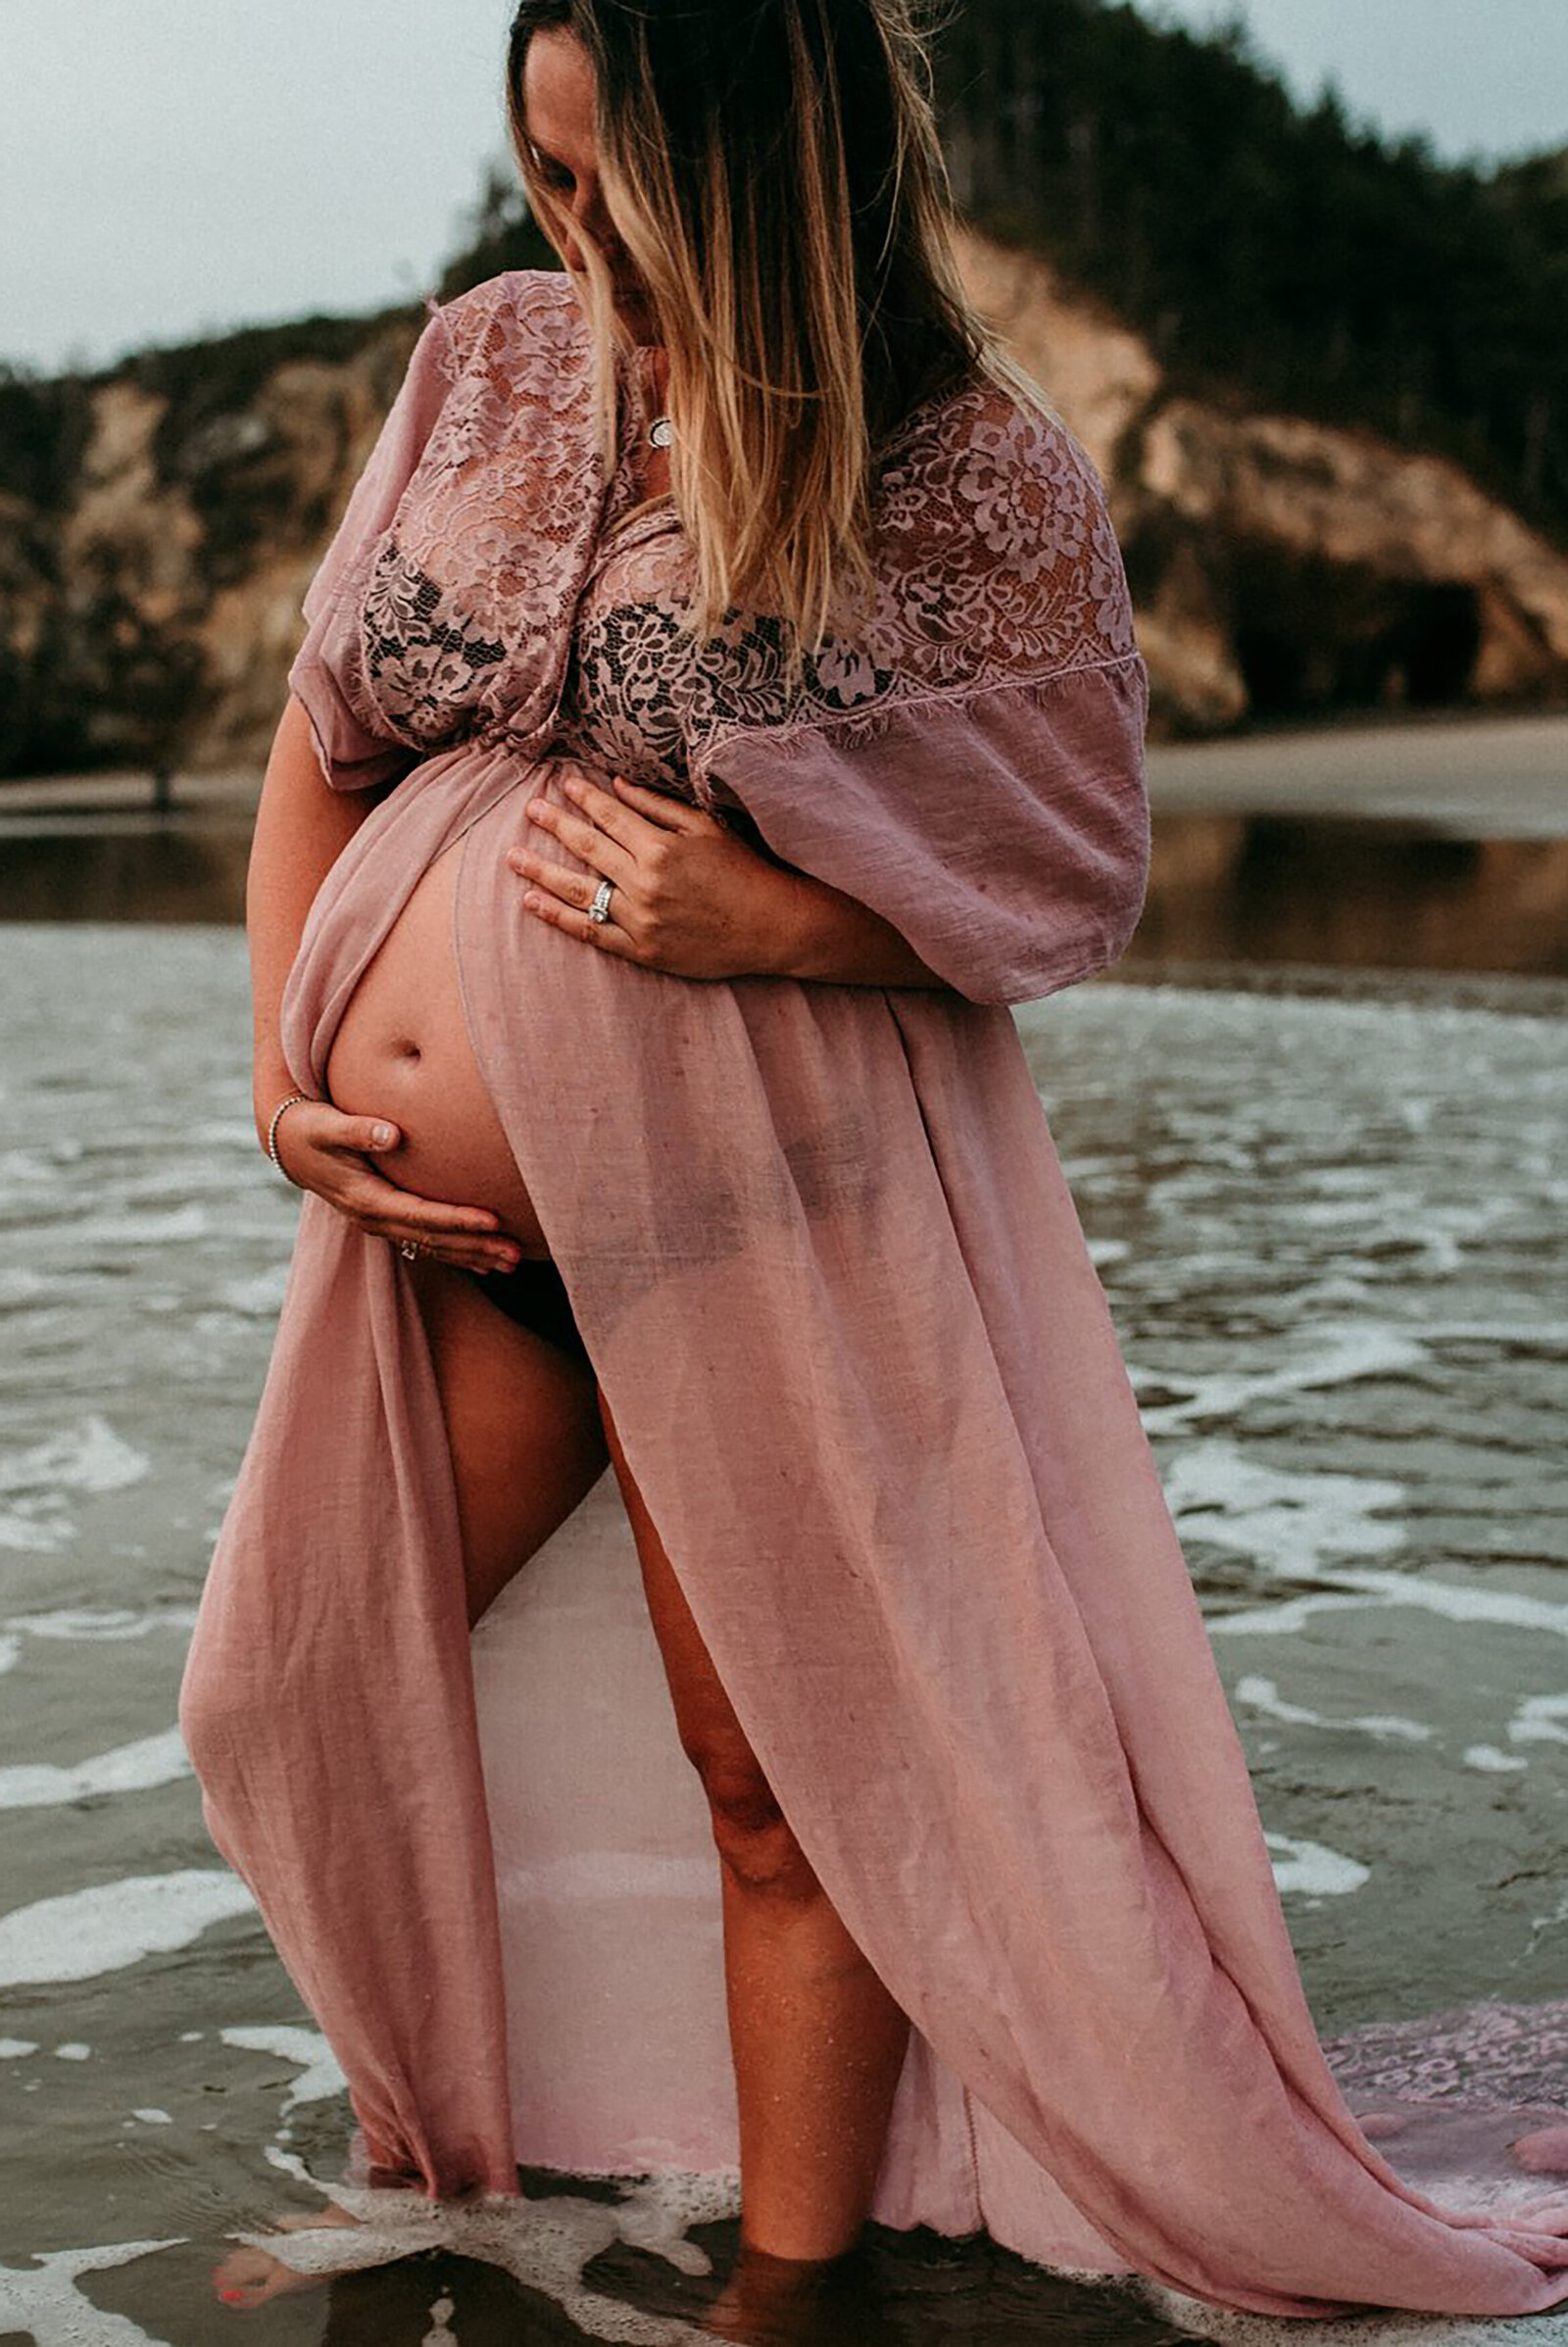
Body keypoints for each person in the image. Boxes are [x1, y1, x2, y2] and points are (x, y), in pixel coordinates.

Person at [180, 0, 1568, 2333]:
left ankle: (783, 2296)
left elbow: (1063, 870)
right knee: (287, 1687)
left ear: (768, 159)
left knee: (775, 1774)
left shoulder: (967, 469)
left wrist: (780, 914)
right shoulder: (492, 367)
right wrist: (271, 1062)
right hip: (463, 1232)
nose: (575, 227)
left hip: (747, 1212)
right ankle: (454, 2157)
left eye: (620, 178)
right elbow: (326, 741)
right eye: (542, 173)